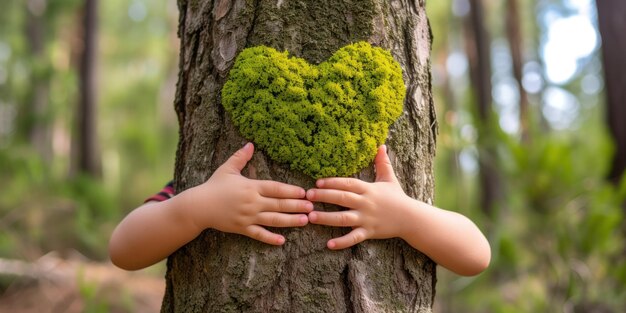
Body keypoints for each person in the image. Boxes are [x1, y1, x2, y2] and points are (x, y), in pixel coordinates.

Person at [109, 142, 491, 276]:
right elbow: (123, 249)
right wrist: (196, 207)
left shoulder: (393, 199)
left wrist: (407, 216)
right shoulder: (198, 184)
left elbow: (476, 255)